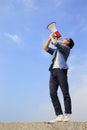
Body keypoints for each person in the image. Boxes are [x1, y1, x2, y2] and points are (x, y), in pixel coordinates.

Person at [44, 33, 74, 122]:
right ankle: (59, 115)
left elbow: (56, 43)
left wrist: (52, 38)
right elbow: (45, 48)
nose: (63, 39)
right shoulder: (56, 51)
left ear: (68, 43)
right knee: (52, 93)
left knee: (65, 92)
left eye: (65, 39)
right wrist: (49, 38)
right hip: (53, 71)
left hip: (61, 71)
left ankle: (67, 114)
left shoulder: (66, 49)